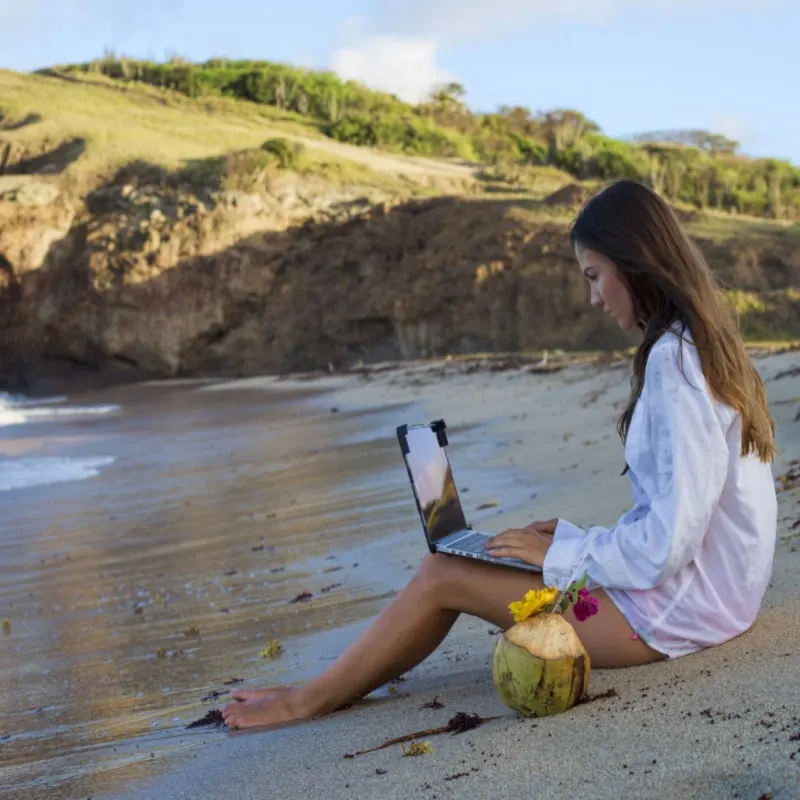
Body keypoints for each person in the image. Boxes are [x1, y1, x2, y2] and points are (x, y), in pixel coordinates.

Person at [222, 179, 778, 730]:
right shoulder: (696, 346)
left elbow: (669, 545)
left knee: (444, 573)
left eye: (594, 276)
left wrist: (563, 558)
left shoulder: (675, 365)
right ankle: (324, 686)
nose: (592, 298)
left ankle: (305, 701)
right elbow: (681, 518)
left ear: (635, 262)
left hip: (680, 613)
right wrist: (567, 539)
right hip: (713, 597)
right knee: (479, 556)